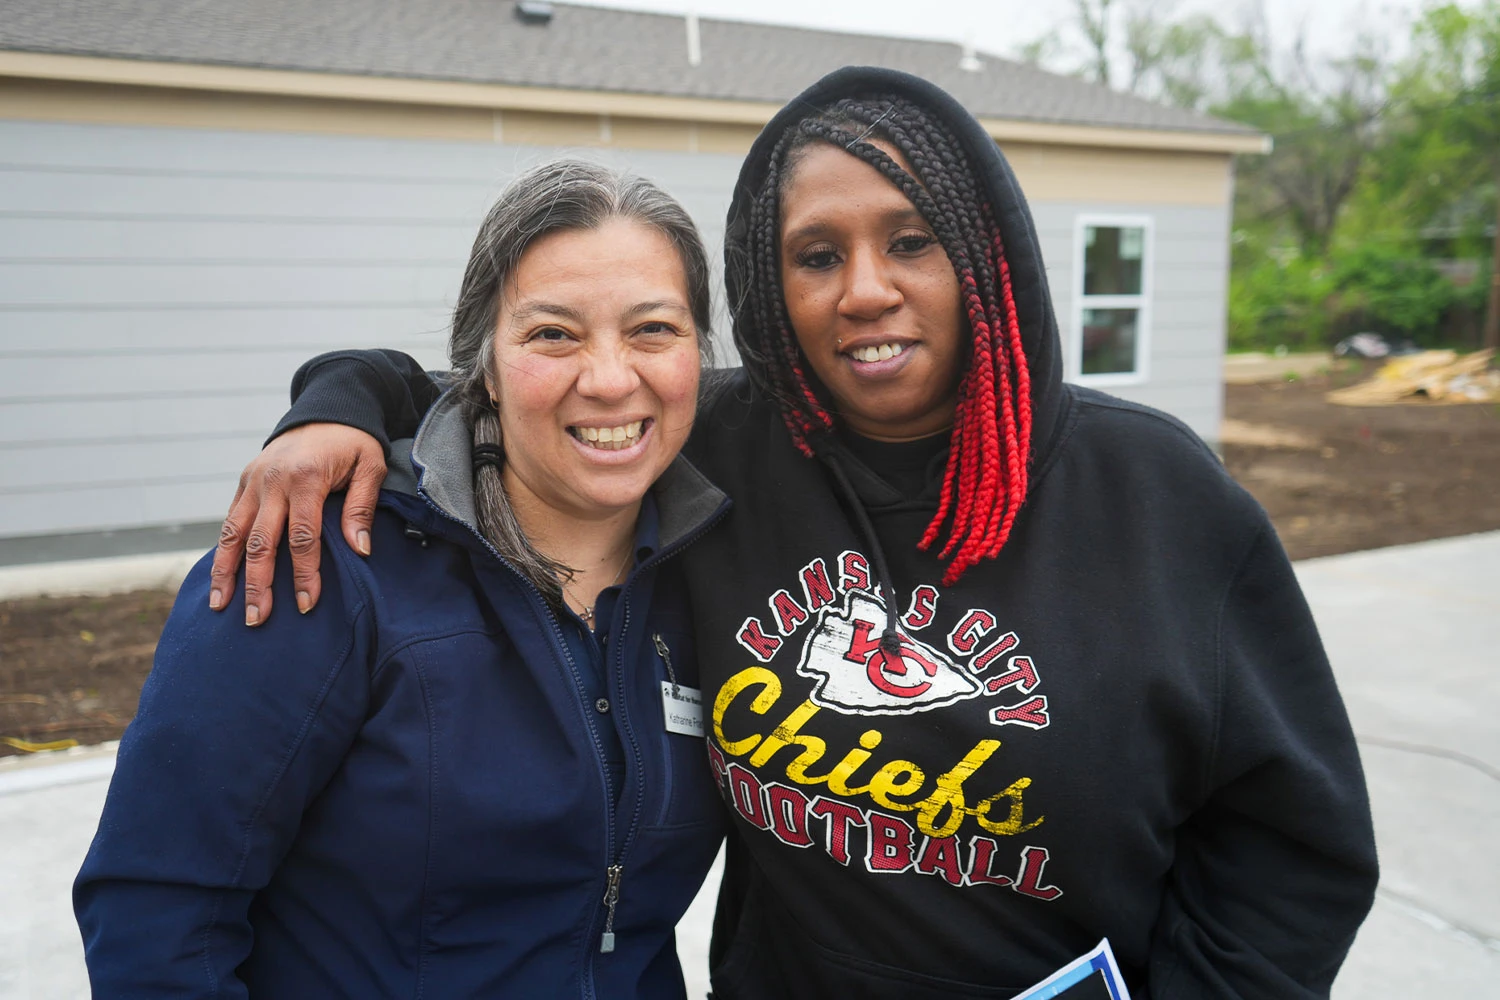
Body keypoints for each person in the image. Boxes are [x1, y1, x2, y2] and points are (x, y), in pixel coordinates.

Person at [208, 67, 1378, 998]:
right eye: (817, 256)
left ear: (986, 256)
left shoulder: (1161, 497)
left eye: (912, 240)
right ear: (773, 292)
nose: (863, 288)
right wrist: (334, 406)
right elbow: (514, 390)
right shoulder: (719, 443)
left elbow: (1294, 847)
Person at [73, 160, 731, 998]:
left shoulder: (708, 568)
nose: (608, 378)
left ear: (699, 359)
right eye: (552, 334)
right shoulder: (320, 564)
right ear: (483, 366)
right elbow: (155, 913)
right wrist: (337, 393)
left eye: (653, 330)